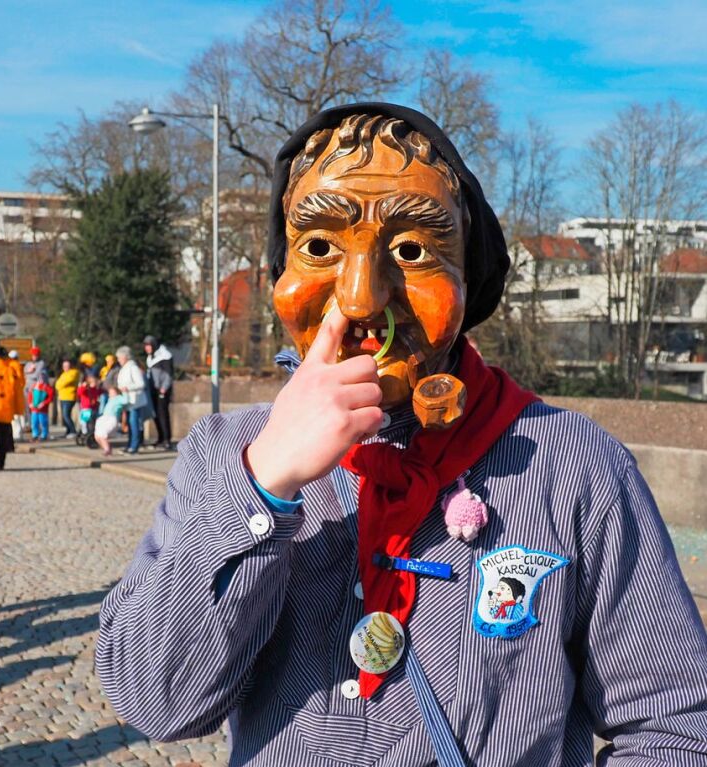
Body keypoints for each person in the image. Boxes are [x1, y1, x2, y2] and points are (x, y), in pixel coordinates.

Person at [96, 104, 707, 764]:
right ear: (280, 274)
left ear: (466, 277)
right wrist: (261, 484)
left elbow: (673, 724)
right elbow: (155, 699)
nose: (360, 297)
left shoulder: (574, 464)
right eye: (320, 246)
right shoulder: (222, 451)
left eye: (412, 249)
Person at [113, 346, 147, 454]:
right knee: (129, 423)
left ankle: (134, 446)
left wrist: (128, 387)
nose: (118, 360)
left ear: (126, 357)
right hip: (127, 400)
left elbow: (141, 384)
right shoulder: (125, 368)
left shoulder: (133, 368)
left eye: (120, 358)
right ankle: (130, 444)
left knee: (134, 423)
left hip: (135, 401)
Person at [143, 335, 174, 449]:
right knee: (156, 415)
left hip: (162, 390)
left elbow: (168, 375)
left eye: (148, 345)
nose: (147, 348)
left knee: (163, 414)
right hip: (153, 389)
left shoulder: (165, 356)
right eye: (145, 346)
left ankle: (167, 439)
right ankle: (160, 438)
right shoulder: (151, 358)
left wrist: (164, 388)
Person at [93, 387, 128, 456]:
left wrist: (125, 392)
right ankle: (106, 448)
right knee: (97, 436)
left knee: (102, 435)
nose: (110, 394)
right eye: (110, 393)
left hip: (111, 418)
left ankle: (107, 450)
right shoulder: (110, 399)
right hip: (104, 418)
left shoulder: (118, 398)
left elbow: (125, 401)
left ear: (117, 392)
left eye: (112, 392)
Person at [54, 358, 80, 438]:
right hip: (62, 397)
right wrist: (60, 384)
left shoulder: (74, 372)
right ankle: (68, 431)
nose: (65, 367)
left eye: (67, 366)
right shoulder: (63, 374)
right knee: (64, 416)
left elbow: (63, 383)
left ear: (70, 366)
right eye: (64, 366)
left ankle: (73, 431)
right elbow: (57, 385)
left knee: (66, 415)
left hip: (69, 397)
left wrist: (61, 384)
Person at [7, 350, 28, 442]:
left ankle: (17, 435)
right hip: (19, 393)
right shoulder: (19, 366)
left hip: (12, 393)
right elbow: (22, 381)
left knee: (14, 416)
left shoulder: (10, 366)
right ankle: (19, 434)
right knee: (20, 415)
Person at [28, 371, 53, 441]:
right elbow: (30, 395)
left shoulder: (47, 387)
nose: (41, 379)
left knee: (43, 422)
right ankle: (35, 435)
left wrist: (43, 403)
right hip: (34, 409)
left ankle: (44, 435)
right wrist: (30, 403)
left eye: (42, 378)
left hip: (43, 410)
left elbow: (50, 398)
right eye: (40, 378)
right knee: (34, 422)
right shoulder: (34, 386)